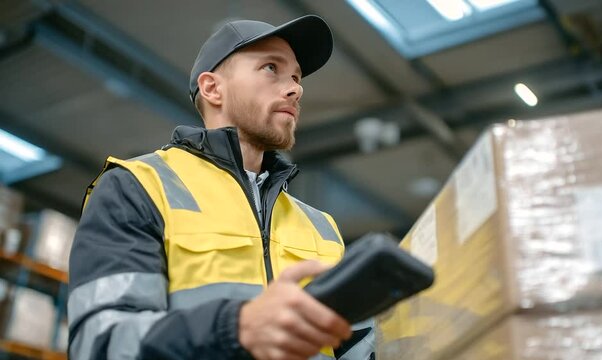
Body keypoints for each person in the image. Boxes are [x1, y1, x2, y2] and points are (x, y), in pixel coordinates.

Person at [67, 15, 375, 360]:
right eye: (271, 68)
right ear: (213, 88)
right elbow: (102, 343)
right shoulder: (138, 186)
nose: (295, 88)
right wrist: (236, 327)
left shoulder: (322, 228)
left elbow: (360, 349)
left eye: (296, 77)